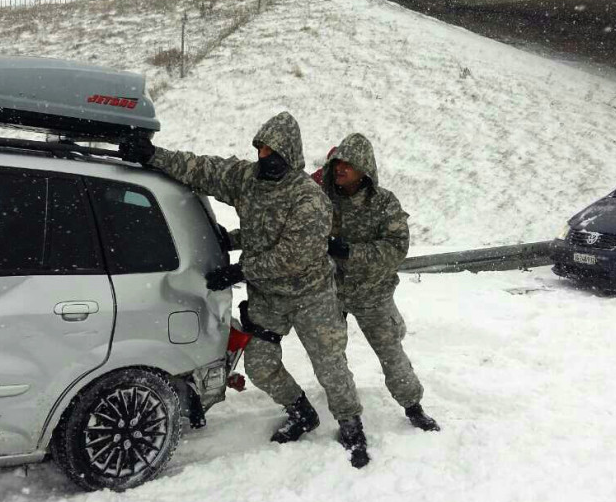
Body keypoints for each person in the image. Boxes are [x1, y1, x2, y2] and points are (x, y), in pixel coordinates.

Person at [119, 113, 370, 468]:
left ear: (290, 153)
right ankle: (301, 413)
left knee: (330, 366)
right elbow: (202, 169)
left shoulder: (309, 199)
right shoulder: (248, 179)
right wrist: (152, 155)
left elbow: (291, 258)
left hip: (311, 297)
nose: (264, 156)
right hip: (268, 298)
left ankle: (351, 423)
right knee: (260, 365)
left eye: (272, 150)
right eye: (261, 148)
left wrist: (239, 269)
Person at [321, 133, 440, 432]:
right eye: (337, 164)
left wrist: (351, 252)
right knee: (330, 356)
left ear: (364, 168)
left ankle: (413, 406)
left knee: (391, 354)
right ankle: (347, 416)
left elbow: (397, 247)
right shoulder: (323, 199)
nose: (340, 169)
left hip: (373, 294)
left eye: (348, 164)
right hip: (331, 291)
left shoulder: (384, 202)